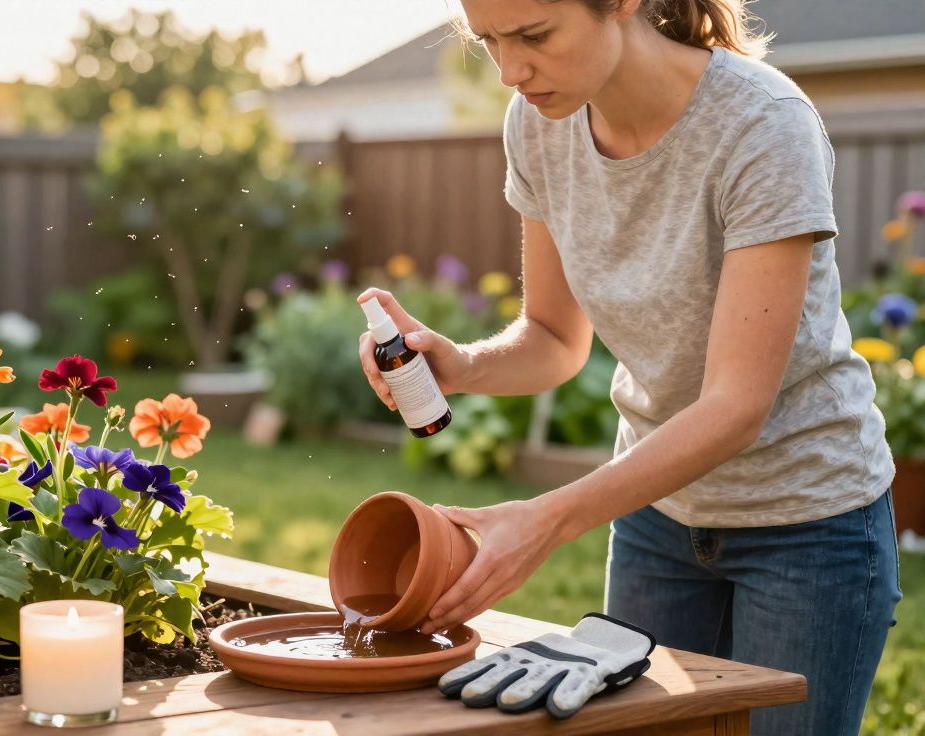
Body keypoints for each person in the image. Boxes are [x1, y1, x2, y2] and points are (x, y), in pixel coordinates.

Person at [356, 0, 903, 732]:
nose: (510, 72)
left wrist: (547, 521)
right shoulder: (538, 125)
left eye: (534, 36)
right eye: (488, 42)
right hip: (656, 519)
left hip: (806, 523)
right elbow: (553, 336)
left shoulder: (761, 123)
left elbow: (736, 406)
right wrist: (459, 365)